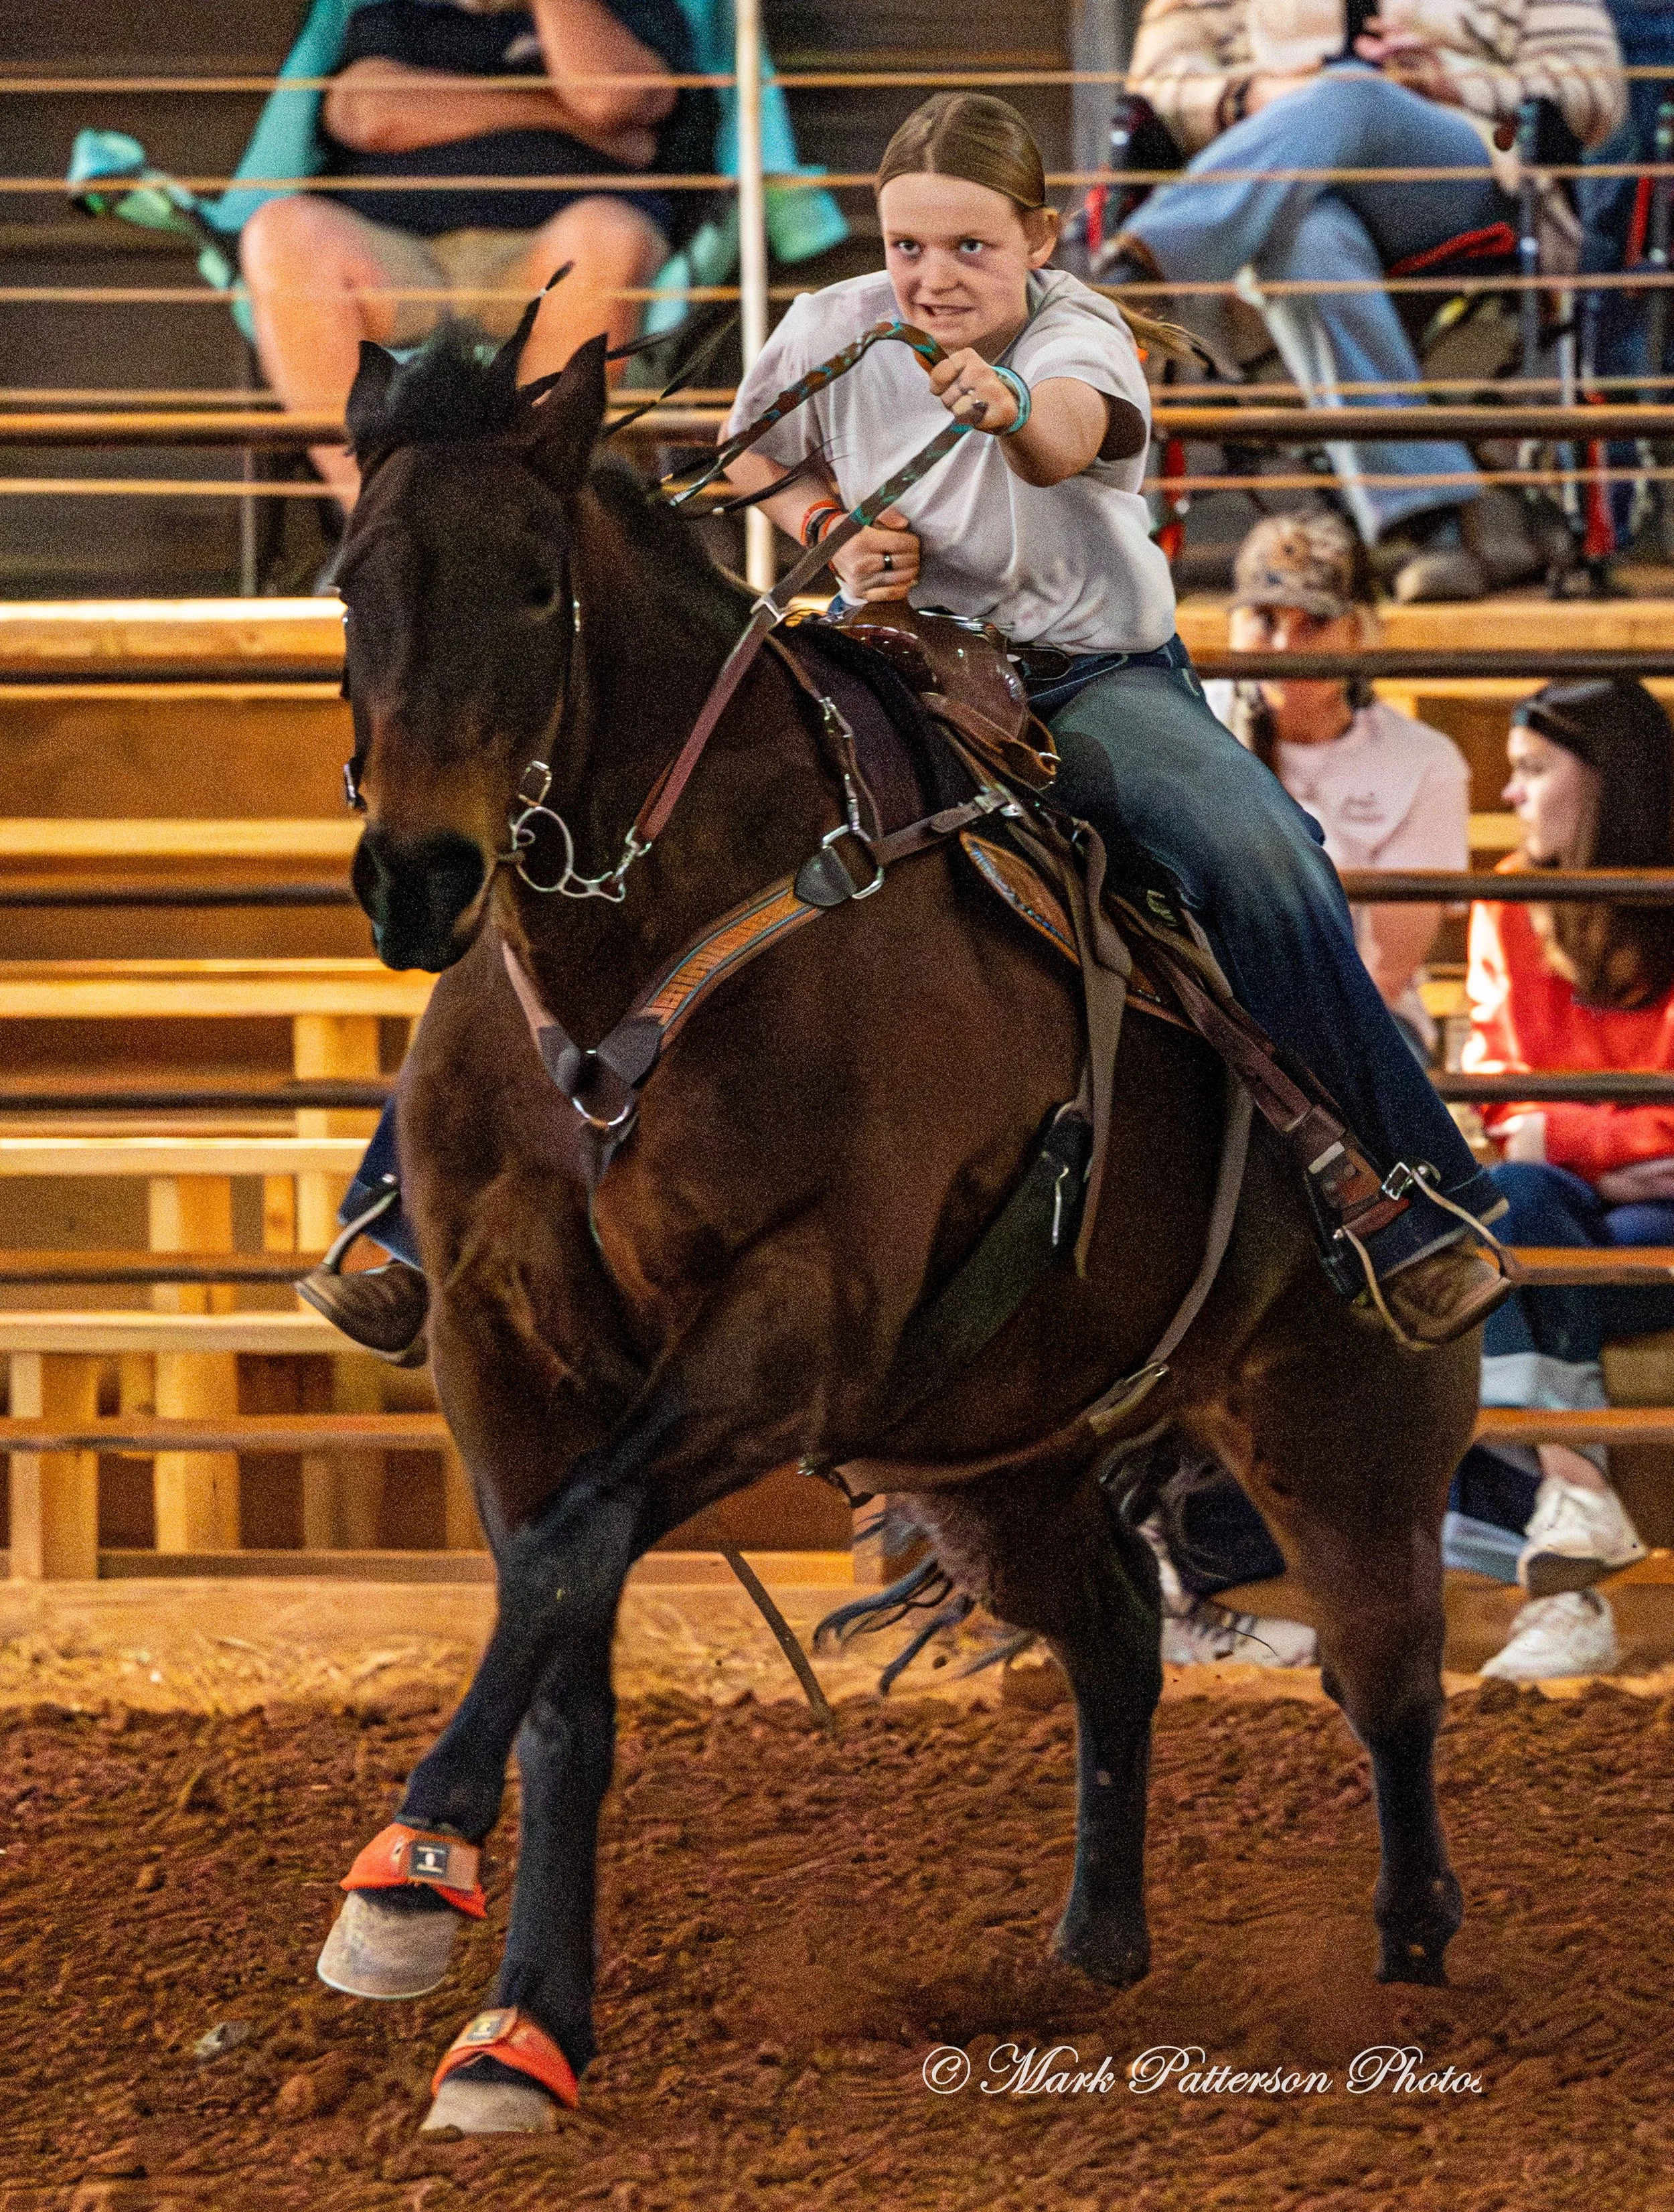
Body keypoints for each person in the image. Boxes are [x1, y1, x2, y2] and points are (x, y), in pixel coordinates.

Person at [302, 91, 1511, 1363]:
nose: (933, 278)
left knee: (1259, 851)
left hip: (1081, 680)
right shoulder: (831, 324)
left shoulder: (1081, 334)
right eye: (907, 248)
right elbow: (753, 457)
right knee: (595, 833)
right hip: (878, 656)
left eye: (971, 248)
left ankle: (1405, 1190)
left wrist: (1005, 408)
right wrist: (833, 527)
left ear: (1039, 239)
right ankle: (399, 1215)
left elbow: (1067, 440)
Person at [1101, 0, 1625, 600]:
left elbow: (1595, 88)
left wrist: (1456, 83)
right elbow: (1157, 84)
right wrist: (1254, 97)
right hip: (1282, 187)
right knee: (1306, 240)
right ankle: (1422, 524)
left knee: (1354, 93)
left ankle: (1144, 269)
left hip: (1459, 172)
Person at [240, 0, 715, 509]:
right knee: (281, 234)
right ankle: (383, 522)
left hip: (550, 256)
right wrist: (554, 113)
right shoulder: (407, 12)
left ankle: (531, 518)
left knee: (602, 238)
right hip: (404, 258)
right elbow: (362, 113)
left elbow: (608, 99)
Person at [1449, 678, 1674, 1678]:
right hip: (1591, 1220)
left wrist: (1567, 1135)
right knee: (1519, 1208)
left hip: (1633, 1226)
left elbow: (1540, 1121)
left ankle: (1570, 1586)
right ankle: (1575, 1504)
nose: (1513, 790)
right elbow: (1504, 1108)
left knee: (1528, 1227)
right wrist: (1620, 1153)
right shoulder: (1509, 896)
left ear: (1610, 785)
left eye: (1536, 770)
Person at [1205, 510, 1470, 1059]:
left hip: (1363, 1024)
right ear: (1232, 626)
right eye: (1264, 618)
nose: (1283, 646)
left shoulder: (1424, 761)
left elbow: (1385, 974)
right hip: (1204, 1011)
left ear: (1359, 632)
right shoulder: (1194, 728)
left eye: (1313, 623)